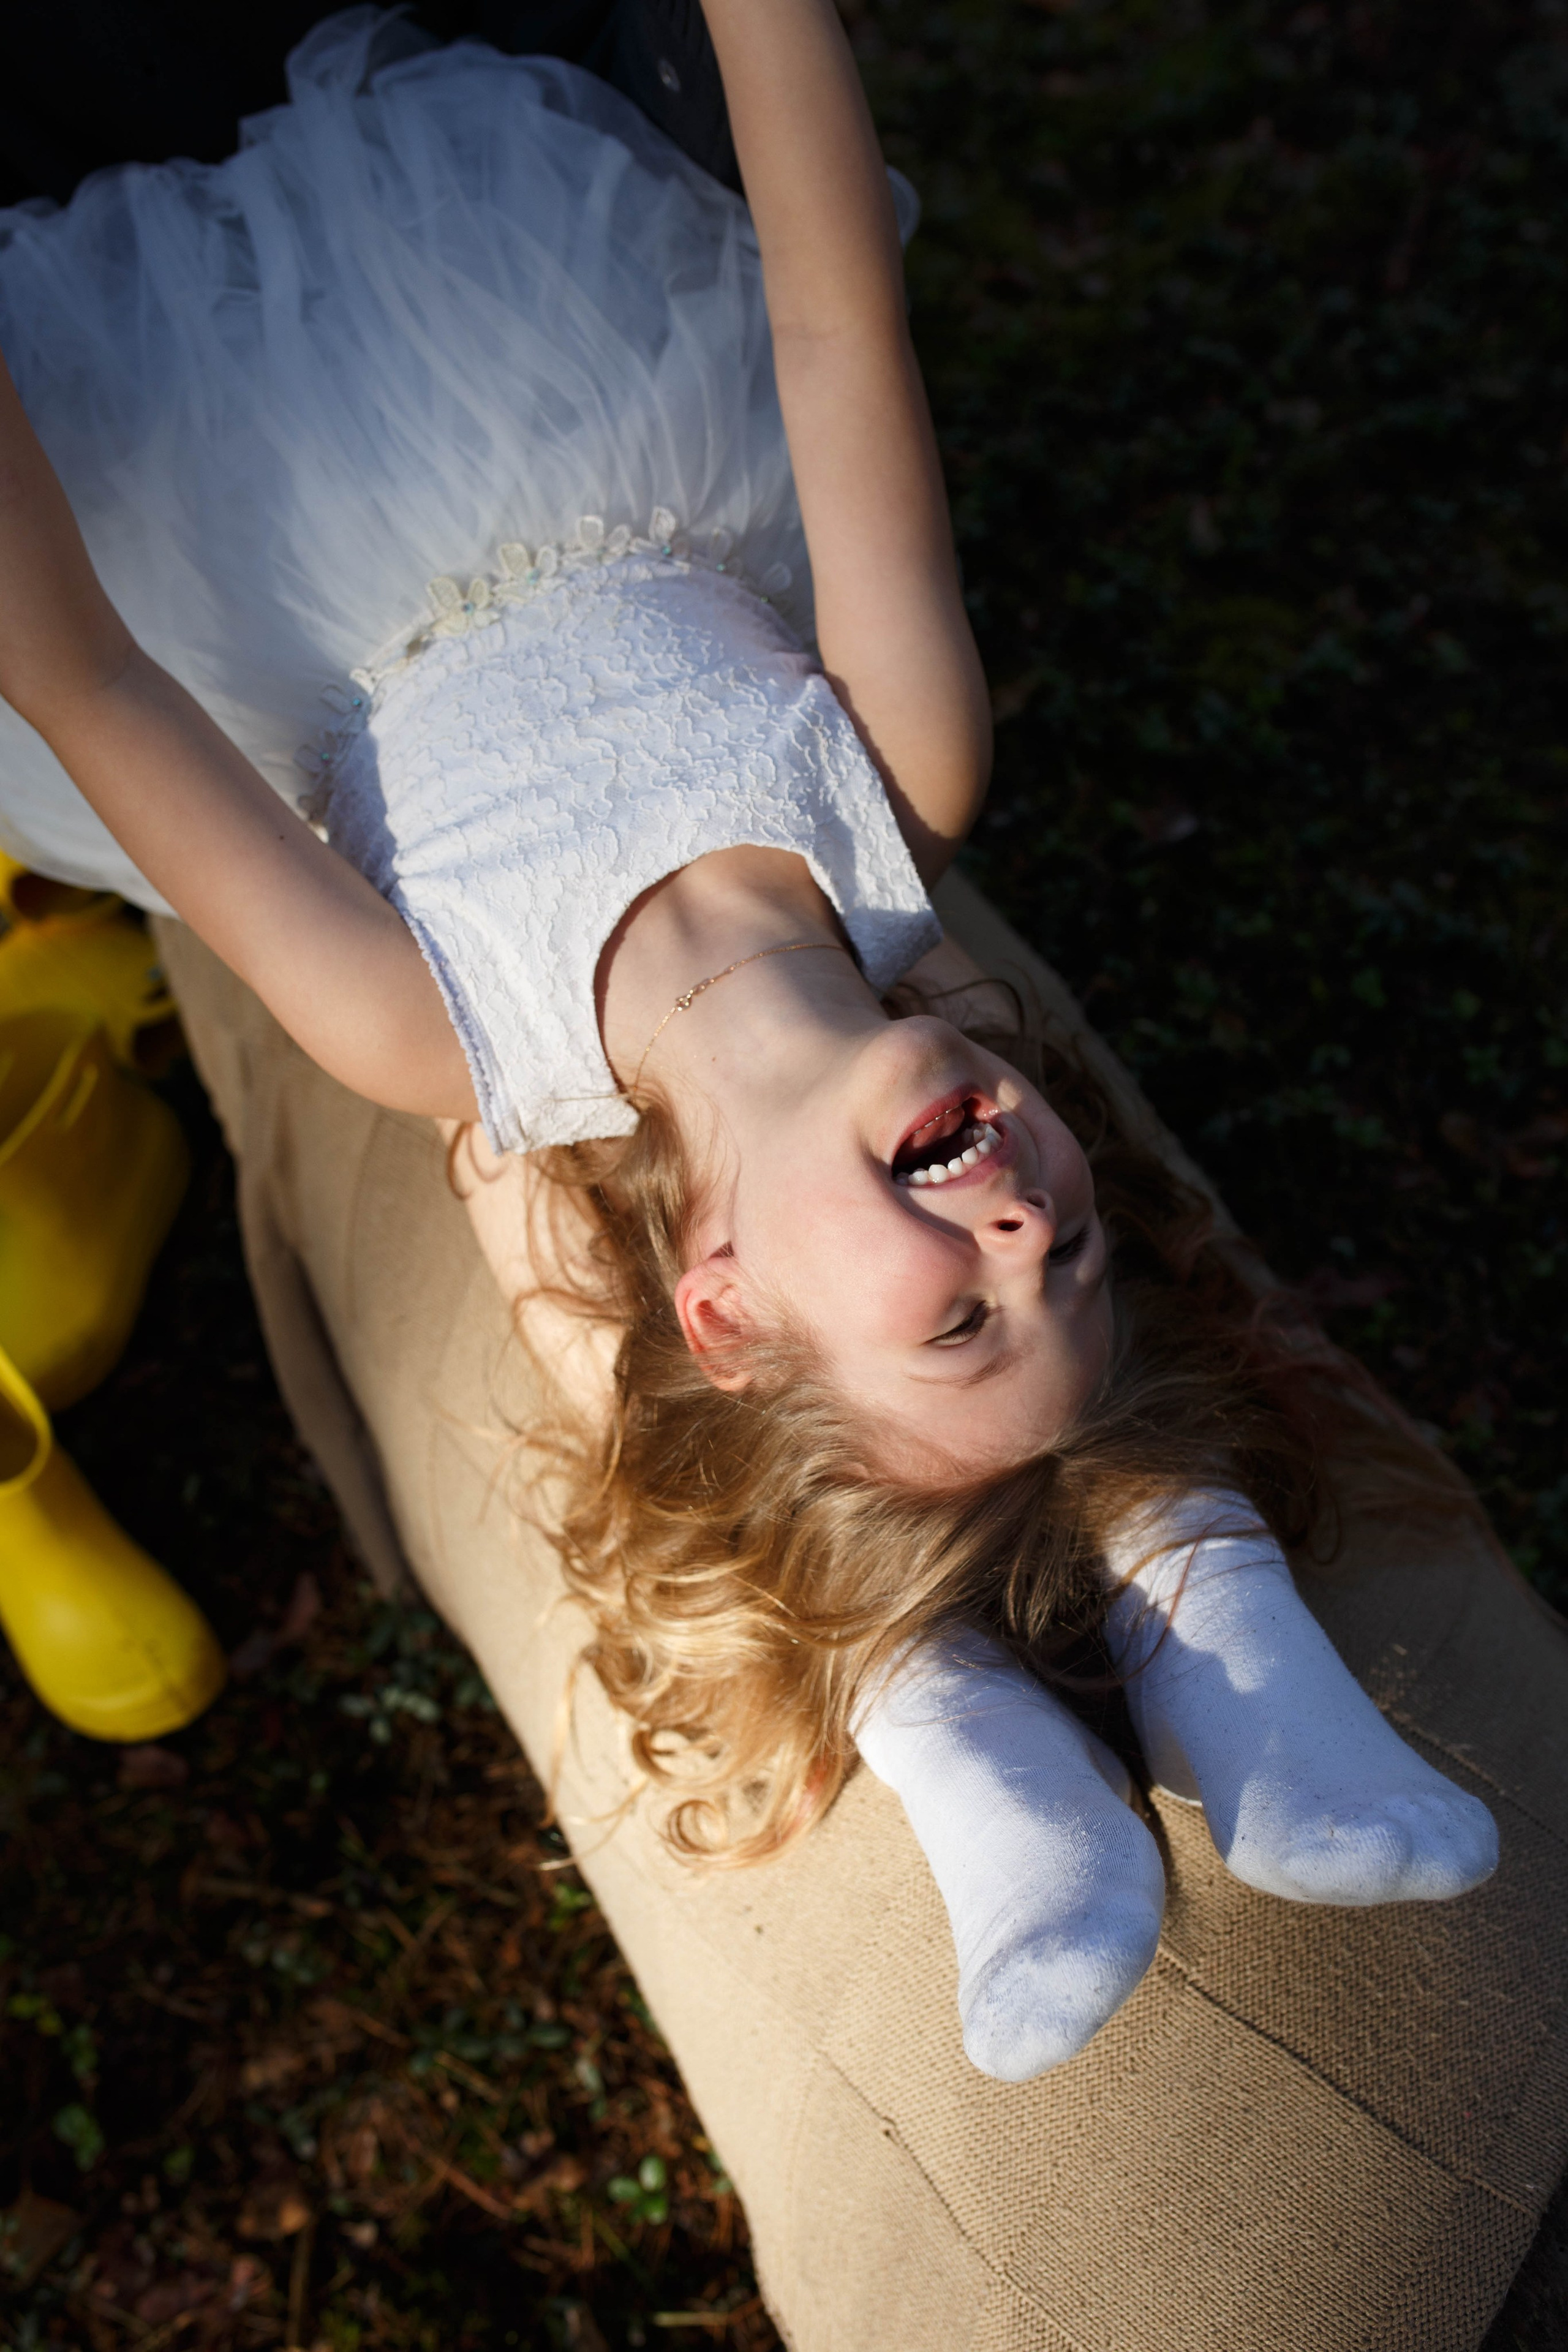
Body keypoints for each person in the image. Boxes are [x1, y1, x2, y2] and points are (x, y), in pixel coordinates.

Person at [0, 0, 1497, 2086]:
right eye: (1066, 1263)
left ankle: (976, 1713)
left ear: (719, 1311)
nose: (1020, 1234)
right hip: (517, 247)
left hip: (190, 440)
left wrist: (884, 1658)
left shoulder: (437, 1036)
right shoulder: (910, 782)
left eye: (957, 1326)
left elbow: (81, 673)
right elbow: (828, 319)